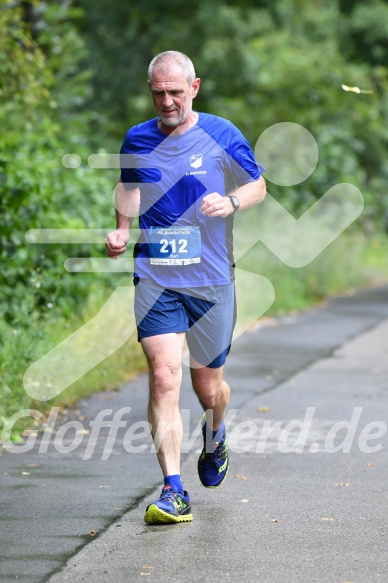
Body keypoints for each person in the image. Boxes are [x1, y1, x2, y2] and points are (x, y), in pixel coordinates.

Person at [105, 50, 266, 525]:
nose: (167, 102)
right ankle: (173, 490)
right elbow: (128, 187)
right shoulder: (137, 138)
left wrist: (232, 200)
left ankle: (214, 434)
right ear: (150, 90)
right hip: (156, 278)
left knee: (208, 387)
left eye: (176, 92)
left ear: (194, 88)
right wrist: (121, 227)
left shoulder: (221, 133)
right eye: (159, 93)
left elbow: (258, 185)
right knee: (162, 376)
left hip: (212, 280)